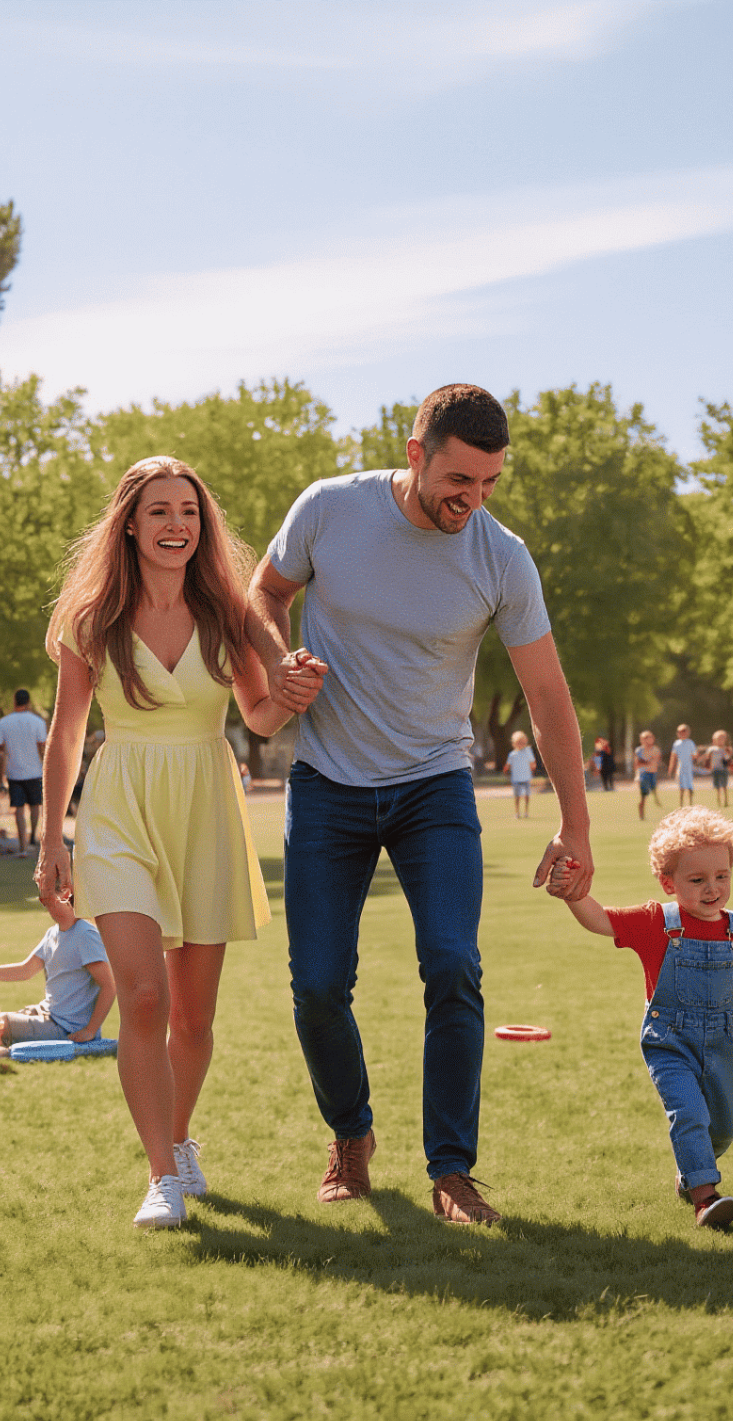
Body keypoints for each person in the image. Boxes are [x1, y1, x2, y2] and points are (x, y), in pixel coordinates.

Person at [247, 383, 593, 1227]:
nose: (471, 501)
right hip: (328, 782)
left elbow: (546, 694)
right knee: (320, 985)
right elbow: (262, 593)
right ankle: (351, 1134)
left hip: (434, 786)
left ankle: (452, 1171)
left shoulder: (501, 558)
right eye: (459, 481)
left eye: (489, 485)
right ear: (415, 454)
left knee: (453, 965)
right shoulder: (330, 510)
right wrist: (278, 659)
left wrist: (575, 822)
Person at [39, 455, 312, 1231]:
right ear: (130, 522)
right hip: (119, 803)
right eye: (159, 511)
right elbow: (65, 737)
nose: (175, 526)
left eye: (187, 512)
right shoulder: (88, 618)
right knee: (145, 997)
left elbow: (257, 717)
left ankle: (181, 1138)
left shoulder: (228, 615)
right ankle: (161, 1175)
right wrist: (51, 837)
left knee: (193, 1015)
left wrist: (286, 701)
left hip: (205, 802)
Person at [544, 806, 733, 1229]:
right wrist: (572, 892)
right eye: (697, 880)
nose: (712, 889)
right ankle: (706, 1199)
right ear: (669, 882)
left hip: (723, 1046)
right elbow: (600, 920)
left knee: (723, 1126)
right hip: (670, 1044)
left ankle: (693, 1170)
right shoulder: (657, 922)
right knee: (689, 1115)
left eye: (721, 876)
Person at [0, 894, 116, 1048]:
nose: (42, 899)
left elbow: (109, 986)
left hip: (67, 1027)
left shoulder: (86, 935)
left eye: (47, 894)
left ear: (66, 895)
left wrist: (90, 1031)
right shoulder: (52, 933)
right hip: (46, 1013)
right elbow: (25, 970)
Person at [0, 689, 51, 851]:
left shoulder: (4, 722)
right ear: (28, 703)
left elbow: (0, 750)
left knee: (18, 808)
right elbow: (42, 748)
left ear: (15, 702)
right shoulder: (38, 722)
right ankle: (33, 836)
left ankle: (22, 846)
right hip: (35, 771)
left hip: (14, 772)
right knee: (35, 806)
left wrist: (0, 777)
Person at [507, 730, 536, 819]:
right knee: (517, 796)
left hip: (526, 778)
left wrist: (532, 769)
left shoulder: (528, 752)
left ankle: (526, 812)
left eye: (522, 742)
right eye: (518, 742)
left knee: (526, 795)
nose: (520, 744)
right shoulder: (512, 754)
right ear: (514, 743)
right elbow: (508, 765)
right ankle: (517, 812)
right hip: (516, 779)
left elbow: (532, 763)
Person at [633, 729, 662, 820]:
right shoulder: (639, 750)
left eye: (649, 738)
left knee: (653, 787)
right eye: (644, 738)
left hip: (652, 773)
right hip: (643, 774)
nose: (647, 740)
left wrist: (647, 762)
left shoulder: (655, 750)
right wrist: (637, 775)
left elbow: (656, 761)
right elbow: (637, 763)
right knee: (644, 795)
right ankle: (641, 814)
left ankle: (656, 799)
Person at [671, 724, 699, 808]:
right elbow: (673, 756)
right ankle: (681, 805)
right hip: (680, 768)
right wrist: (671, 767)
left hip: (689, 768)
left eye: (684, 731)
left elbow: (695, 754)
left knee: (690, 786)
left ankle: (690, 804)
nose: (682, 733)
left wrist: (695, 756)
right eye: (680, 732)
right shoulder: (676, 743)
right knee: (681, 787)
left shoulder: (690, 743)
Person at [706, 730, 733, 806]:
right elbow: (707, 758)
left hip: (723, 769)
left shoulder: (725, 749)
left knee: (724, 785)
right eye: (719, 739)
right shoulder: (712, 749)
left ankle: (726, 800)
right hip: (715, 769)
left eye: (722, 739)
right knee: (717, 786)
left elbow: (728, 759)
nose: (720, 741)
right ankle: (719, 800)